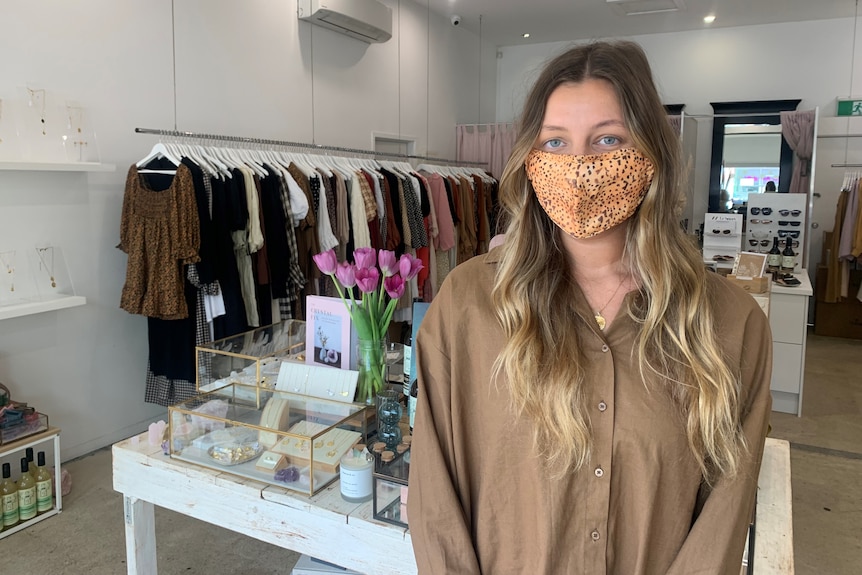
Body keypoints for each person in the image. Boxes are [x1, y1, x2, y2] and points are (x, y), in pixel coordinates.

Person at [408, 41, 772, 575]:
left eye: (607, 139)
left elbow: (723, 518)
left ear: (650, 153)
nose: (580, 166)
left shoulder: (731, 326)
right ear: (530, 158)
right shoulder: (467, 308)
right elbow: (435, 501)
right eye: (555, 142)